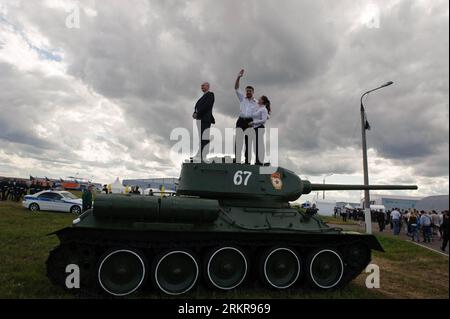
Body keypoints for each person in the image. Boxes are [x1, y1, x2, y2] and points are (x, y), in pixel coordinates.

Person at [234, 69, 258, 164]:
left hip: (249, 122)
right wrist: (238, 77)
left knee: (248, 142)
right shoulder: (242, 98)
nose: (248, 92)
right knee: (238, 141)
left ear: (253, 92)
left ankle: (247, 161)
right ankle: (237, 160)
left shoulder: (256, 103)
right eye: (247, 91)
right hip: (240, 121)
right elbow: (236, 88)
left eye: (250, 91)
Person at [193, 82, 215, 161]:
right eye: (201, 85)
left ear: (208, 86)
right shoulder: (201, 97)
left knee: (204, 137)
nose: (201, 86)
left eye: (203, 85)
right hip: (199, 119)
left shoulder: (210, 95)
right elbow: (197, 107)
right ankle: (199, 154)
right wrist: (194, 113)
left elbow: (207, 106)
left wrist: (198, 114)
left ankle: (204, 155)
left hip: (205, 119)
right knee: (201, 138)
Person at [249, 96, 270, 165]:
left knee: (259, 146)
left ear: (263, 101)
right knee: (256, 146)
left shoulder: (263, 109)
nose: (258, 99)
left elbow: (264, 120)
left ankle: (259, 162)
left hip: (260, 128)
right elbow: (255, 101)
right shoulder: (259, 108)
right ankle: (257, 161)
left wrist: (253, 123)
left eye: (260, 99)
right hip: (255, 128)